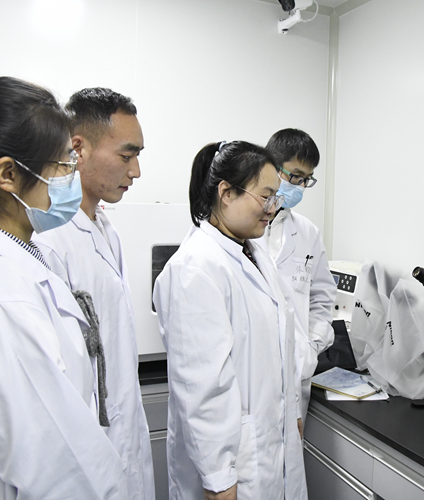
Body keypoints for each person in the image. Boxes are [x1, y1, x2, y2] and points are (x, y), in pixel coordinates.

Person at [0, 76, 127, 498]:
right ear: (8, 174)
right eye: (63, 164)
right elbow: (60, 471)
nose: (72, 175)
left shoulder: (15, 260)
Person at [153, 141, 307, 500]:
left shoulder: (254, 253)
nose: (273, 208)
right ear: (226, 193)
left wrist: (292, 411)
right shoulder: (195, 269)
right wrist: (218, 478)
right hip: (232, 464)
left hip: (270, 442)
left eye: (275, 197)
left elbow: (280, 349)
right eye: (265, 197)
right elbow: (203, 387)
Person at [33, 87, 154, 500]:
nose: (136, 171)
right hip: (88, 454)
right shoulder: (50, 241)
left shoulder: (105, 228)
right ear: (78, 149)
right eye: (126, 155)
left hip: (124, 432)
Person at [258, 128, 336, 420]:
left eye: (307, 179)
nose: (300, 186)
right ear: (271, 167)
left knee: (291, 446)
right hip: (252, 376)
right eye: (296, 176)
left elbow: (322, 297)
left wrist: (310, 346)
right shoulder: (243, 227)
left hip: (294, 375)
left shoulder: (307, 232)